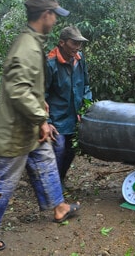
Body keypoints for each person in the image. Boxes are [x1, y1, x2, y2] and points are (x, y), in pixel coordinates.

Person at [0, 0, 81, 252]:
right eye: (53, 15)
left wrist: (41, 104)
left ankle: (59, 207)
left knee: (45, 160)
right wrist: (41, 118)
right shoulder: (26, 46)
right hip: (17, 129)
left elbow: (28, 85)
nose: (54, 20)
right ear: (45, 15)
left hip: (29, 126)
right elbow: (17, 89)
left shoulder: (33, 43)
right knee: (3, 176)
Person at [46, 26, 92, 183]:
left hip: (74, 116)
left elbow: (86, 85)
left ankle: (60, 179)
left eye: (79, 44)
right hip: (56, 118)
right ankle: (53, 185)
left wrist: (86, 107)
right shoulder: (50, 64)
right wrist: (47, 121)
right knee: (58, 149)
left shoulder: (80, 59)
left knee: (72, 150)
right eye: (74, 43)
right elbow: (40, 95)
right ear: (62, 43)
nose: (78, 47)